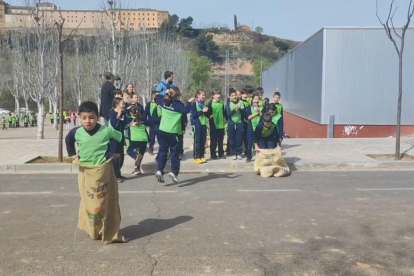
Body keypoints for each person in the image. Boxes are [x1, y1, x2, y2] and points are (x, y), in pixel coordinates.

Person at [65, 101, 127, 244]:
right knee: (91, 203)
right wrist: (72, 154)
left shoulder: (105, 130)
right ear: (79, 117)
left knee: (105, 202)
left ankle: (110, 231)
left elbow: (119, 137)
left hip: (103, 172)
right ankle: (93, 229)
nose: (88, 121)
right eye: (84, 117)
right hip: (86, 173)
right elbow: (68, 140)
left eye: (91, 117)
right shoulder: (76, 132)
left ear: (98, 117)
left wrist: (114, 152)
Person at [155, 87, 194, 184]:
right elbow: (186, 110)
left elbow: (156, 96)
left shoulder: (163, 101)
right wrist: (189, 102)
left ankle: (160, 170)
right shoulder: (178, 105)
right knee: (174, 153)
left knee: (163, 151)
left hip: (162, 130)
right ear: (178, 96)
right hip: (172, 132)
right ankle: (174, 172)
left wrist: (166, 92)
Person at [126, 106, 149, 176]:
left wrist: (127, 109)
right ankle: (137, 169)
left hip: (135, 139)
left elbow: (125, 124)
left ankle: (136, 157)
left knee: (129, 151)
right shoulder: (142, 118)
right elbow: (147, 125)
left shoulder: (130, 119)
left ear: (131, 113)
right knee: (141, 155)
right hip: (144, 139)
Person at [109, 98, 128, 183]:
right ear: (117, 105)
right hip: (113, 139)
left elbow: (124, 123)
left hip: (120, 137)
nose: (124, 105)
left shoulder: (123, 113)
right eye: (122, 104)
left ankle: (118, 173)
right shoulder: (112, 114)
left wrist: (131, 123)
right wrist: (118, 115)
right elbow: (114, 124)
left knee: (121, 157)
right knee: (115, 157)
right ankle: (115, 175)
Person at [226, 88, 245, 160]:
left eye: (235, 95)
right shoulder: (229, 103)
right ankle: (233, 153)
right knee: (232, 138)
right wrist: (234, 109)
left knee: (239, 138)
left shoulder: (241, 102)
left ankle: (239, 153)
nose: (234, 97)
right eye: (233, 95)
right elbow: (228, 114)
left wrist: (240, 108)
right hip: (231, 123)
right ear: (230, 97)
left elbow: (244, 114)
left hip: (239, 123)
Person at [206, 89, 226, 160]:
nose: (218, 95)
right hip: (213, 125)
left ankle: (221, 153)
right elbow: (206, 112)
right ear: (213, 96)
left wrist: (225, 121)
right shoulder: (210, 103)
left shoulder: (222, 103)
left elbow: (224, 112)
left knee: (221, 140)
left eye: (219, 94)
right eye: (216, 94)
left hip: (221, 124)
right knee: (213, 140)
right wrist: (209, 116)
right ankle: (213, 154)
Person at [245, 93, 265, 163]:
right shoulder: (248, 108)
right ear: (252, 100)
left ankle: (260, 156)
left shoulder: (262, 107)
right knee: (249, 142)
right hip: (251, 126)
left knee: (260, 142)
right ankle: (248, 156)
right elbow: (248, 117)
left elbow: (263, 117)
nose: (256, 101)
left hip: (259, 127)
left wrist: (259, 111)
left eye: (258, 99)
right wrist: (256, 113)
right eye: (255, 99)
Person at [191, 89, 208, 164]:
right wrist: (202, 111)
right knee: (197, 141)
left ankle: (202, 156)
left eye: (204, 95)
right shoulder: (194, 103)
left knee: (203, 141)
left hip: (204, 124)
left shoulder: (204, 103)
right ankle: (196, 157)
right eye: (202, 95)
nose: (204, 97)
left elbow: (205, 113)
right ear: (198, 95)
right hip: (197, 124)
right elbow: (194, 115)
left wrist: (209, 115)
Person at [145, 91, 162, 156]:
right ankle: (150, 149)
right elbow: (145, 113)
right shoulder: (149, 104)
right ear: (153, 96)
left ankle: (161, 150)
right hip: (151, 124)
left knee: (160, 138)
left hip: (159, 124)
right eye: (157, 96)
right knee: (151, 138)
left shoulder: (160, 104)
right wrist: (146, 121)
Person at [241, 89, 251, 158]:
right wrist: (246, 119)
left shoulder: (248, 102)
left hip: (248, 122)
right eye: (244, 94)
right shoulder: (240, 102)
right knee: (242, 137)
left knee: (247, 138)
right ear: (241, 95)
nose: (245, 95)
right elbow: (243, 112)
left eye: (246, 94)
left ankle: (247, 151)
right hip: (243, 122)